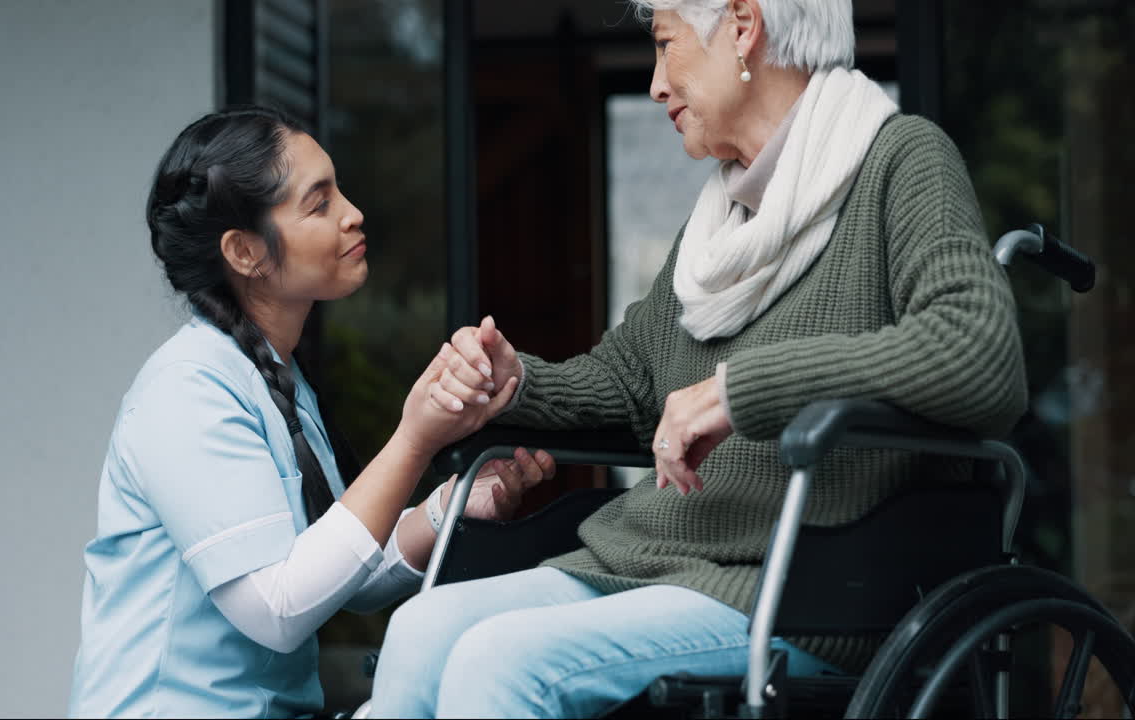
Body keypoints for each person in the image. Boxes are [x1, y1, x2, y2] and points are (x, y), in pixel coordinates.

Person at [369, 0, 1028, 717]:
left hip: (798, 585)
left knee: (499, 662)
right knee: (420, 629)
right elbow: (629, 381)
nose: (656, 84)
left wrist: (739, 391)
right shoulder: (719, 221)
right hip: (649, 560)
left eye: (665, 45)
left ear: (743, 27)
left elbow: (978, 350)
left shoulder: (903, 161)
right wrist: (517, 382)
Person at [67, 106, 555, 718]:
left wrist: (451, 507)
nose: (353, 213)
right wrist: (413, 441)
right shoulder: (187, 392)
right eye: (320, 203)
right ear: (245, 251)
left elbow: (344, 571)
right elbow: (278, 607)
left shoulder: (277, 379)